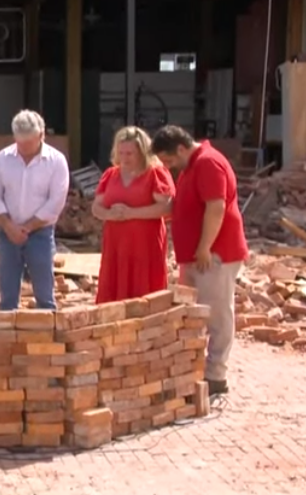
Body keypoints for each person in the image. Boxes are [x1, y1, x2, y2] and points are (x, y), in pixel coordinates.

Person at [151, 125, 248, 396]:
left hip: (215, 254)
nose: (168, 166)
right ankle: (198, 367)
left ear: (181, 148)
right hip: (196, 256)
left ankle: (216, 373)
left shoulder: (208, 163)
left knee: (216, 312)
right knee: (195, 312)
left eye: (169, 160)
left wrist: (205, 247)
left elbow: (216, 208)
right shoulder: (191, 165)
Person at [0, 109, 70, 311]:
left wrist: (27, 227)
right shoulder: (3, 157)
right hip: (8, 233)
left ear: (41, 135)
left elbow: (56, 202)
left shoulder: (56, 161)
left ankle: (47, 339)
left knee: (44, 294)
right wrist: (9, 227)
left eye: (28, 143)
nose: (23, 148)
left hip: (40, 233)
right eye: (19, 143)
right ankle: (7, 337)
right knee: (7, 296)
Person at [92, 126, 175, 303]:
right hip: (116, 243)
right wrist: (109, 214)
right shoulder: (110, 174)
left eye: (130, 153)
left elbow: (166, 207)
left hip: (144, 244)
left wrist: (132, 213)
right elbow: (96, 207)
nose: (124, 158)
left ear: (142, 152)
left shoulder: (154, 173)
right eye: (121, 153)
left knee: (144, 289)